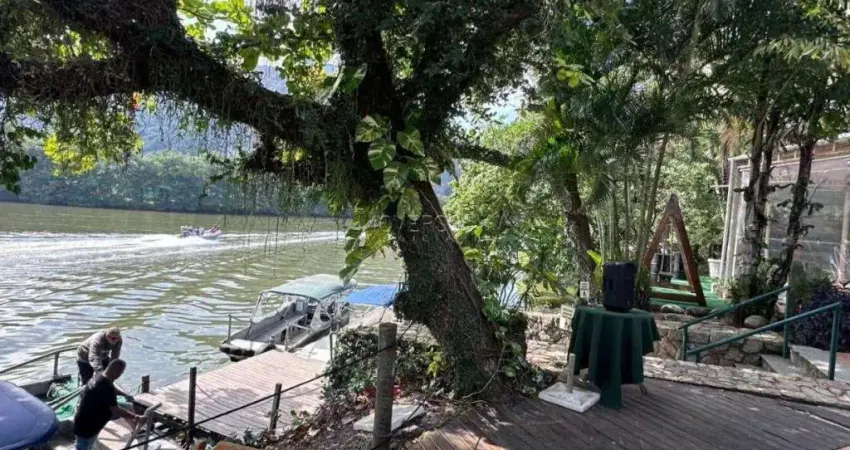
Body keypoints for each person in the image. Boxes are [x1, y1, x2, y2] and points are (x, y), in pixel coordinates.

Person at [74, 359, 139, 450]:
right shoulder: (107, 386)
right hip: (87, 426)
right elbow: (115, 410)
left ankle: (136, 432)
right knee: (84, 446)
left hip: (95, 414)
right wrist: (135, 417)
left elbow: (112, 390)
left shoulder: (100, 376)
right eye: (121, 372)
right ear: (116, 372)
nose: (121, 375)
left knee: (128, 407)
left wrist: (124, 394)